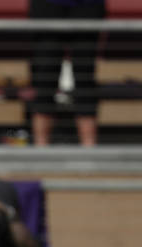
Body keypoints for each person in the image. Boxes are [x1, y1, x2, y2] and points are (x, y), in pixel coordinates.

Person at [28, 0, 105, 147]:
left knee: (85, 75)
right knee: (44, 74)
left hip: (87, 6)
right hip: (47, 6)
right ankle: (40, 149)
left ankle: (89, 149)